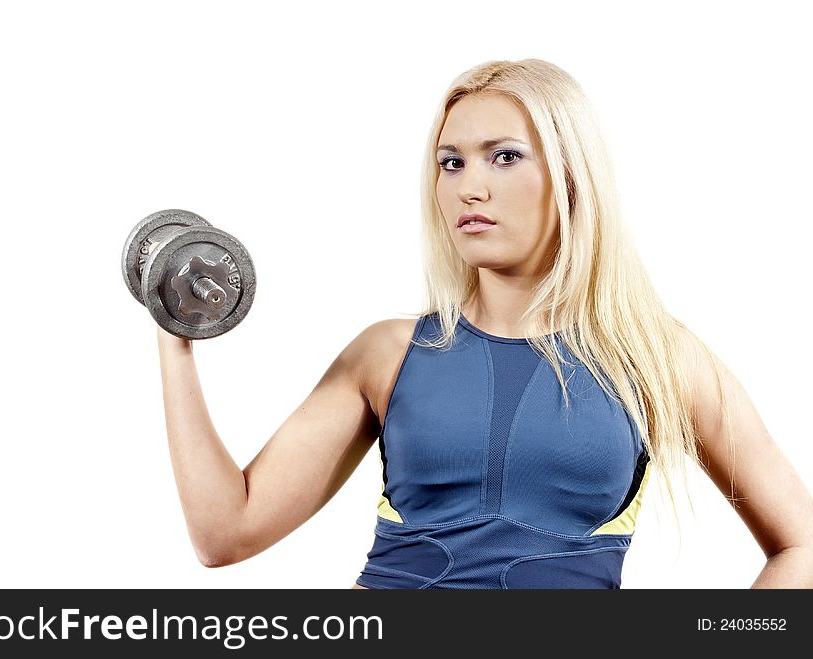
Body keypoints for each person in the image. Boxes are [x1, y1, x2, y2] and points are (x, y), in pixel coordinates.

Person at [155, 58, 813, 588]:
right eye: (451, 162)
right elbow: (225, 532)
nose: (470, 187)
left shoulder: (654, 355)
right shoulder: (389, 354)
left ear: (570, 175)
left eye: (504, 156)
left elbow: (801, 544)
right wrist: (173, 331)